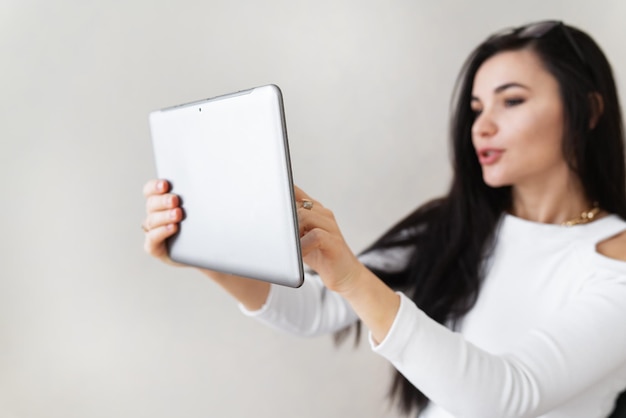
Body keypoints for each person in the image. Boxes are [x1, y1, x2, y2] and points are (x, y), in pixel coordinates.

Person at [142, 20, 626, 417]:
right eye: (477, 107)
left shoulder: (614, 261)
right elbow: (312, 310)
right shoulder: (456, 226)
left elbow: (504, 395)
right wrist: (203, 251)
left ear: (588, 111)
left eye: (512, 100)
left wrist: (352, 276)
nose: (482, 124)